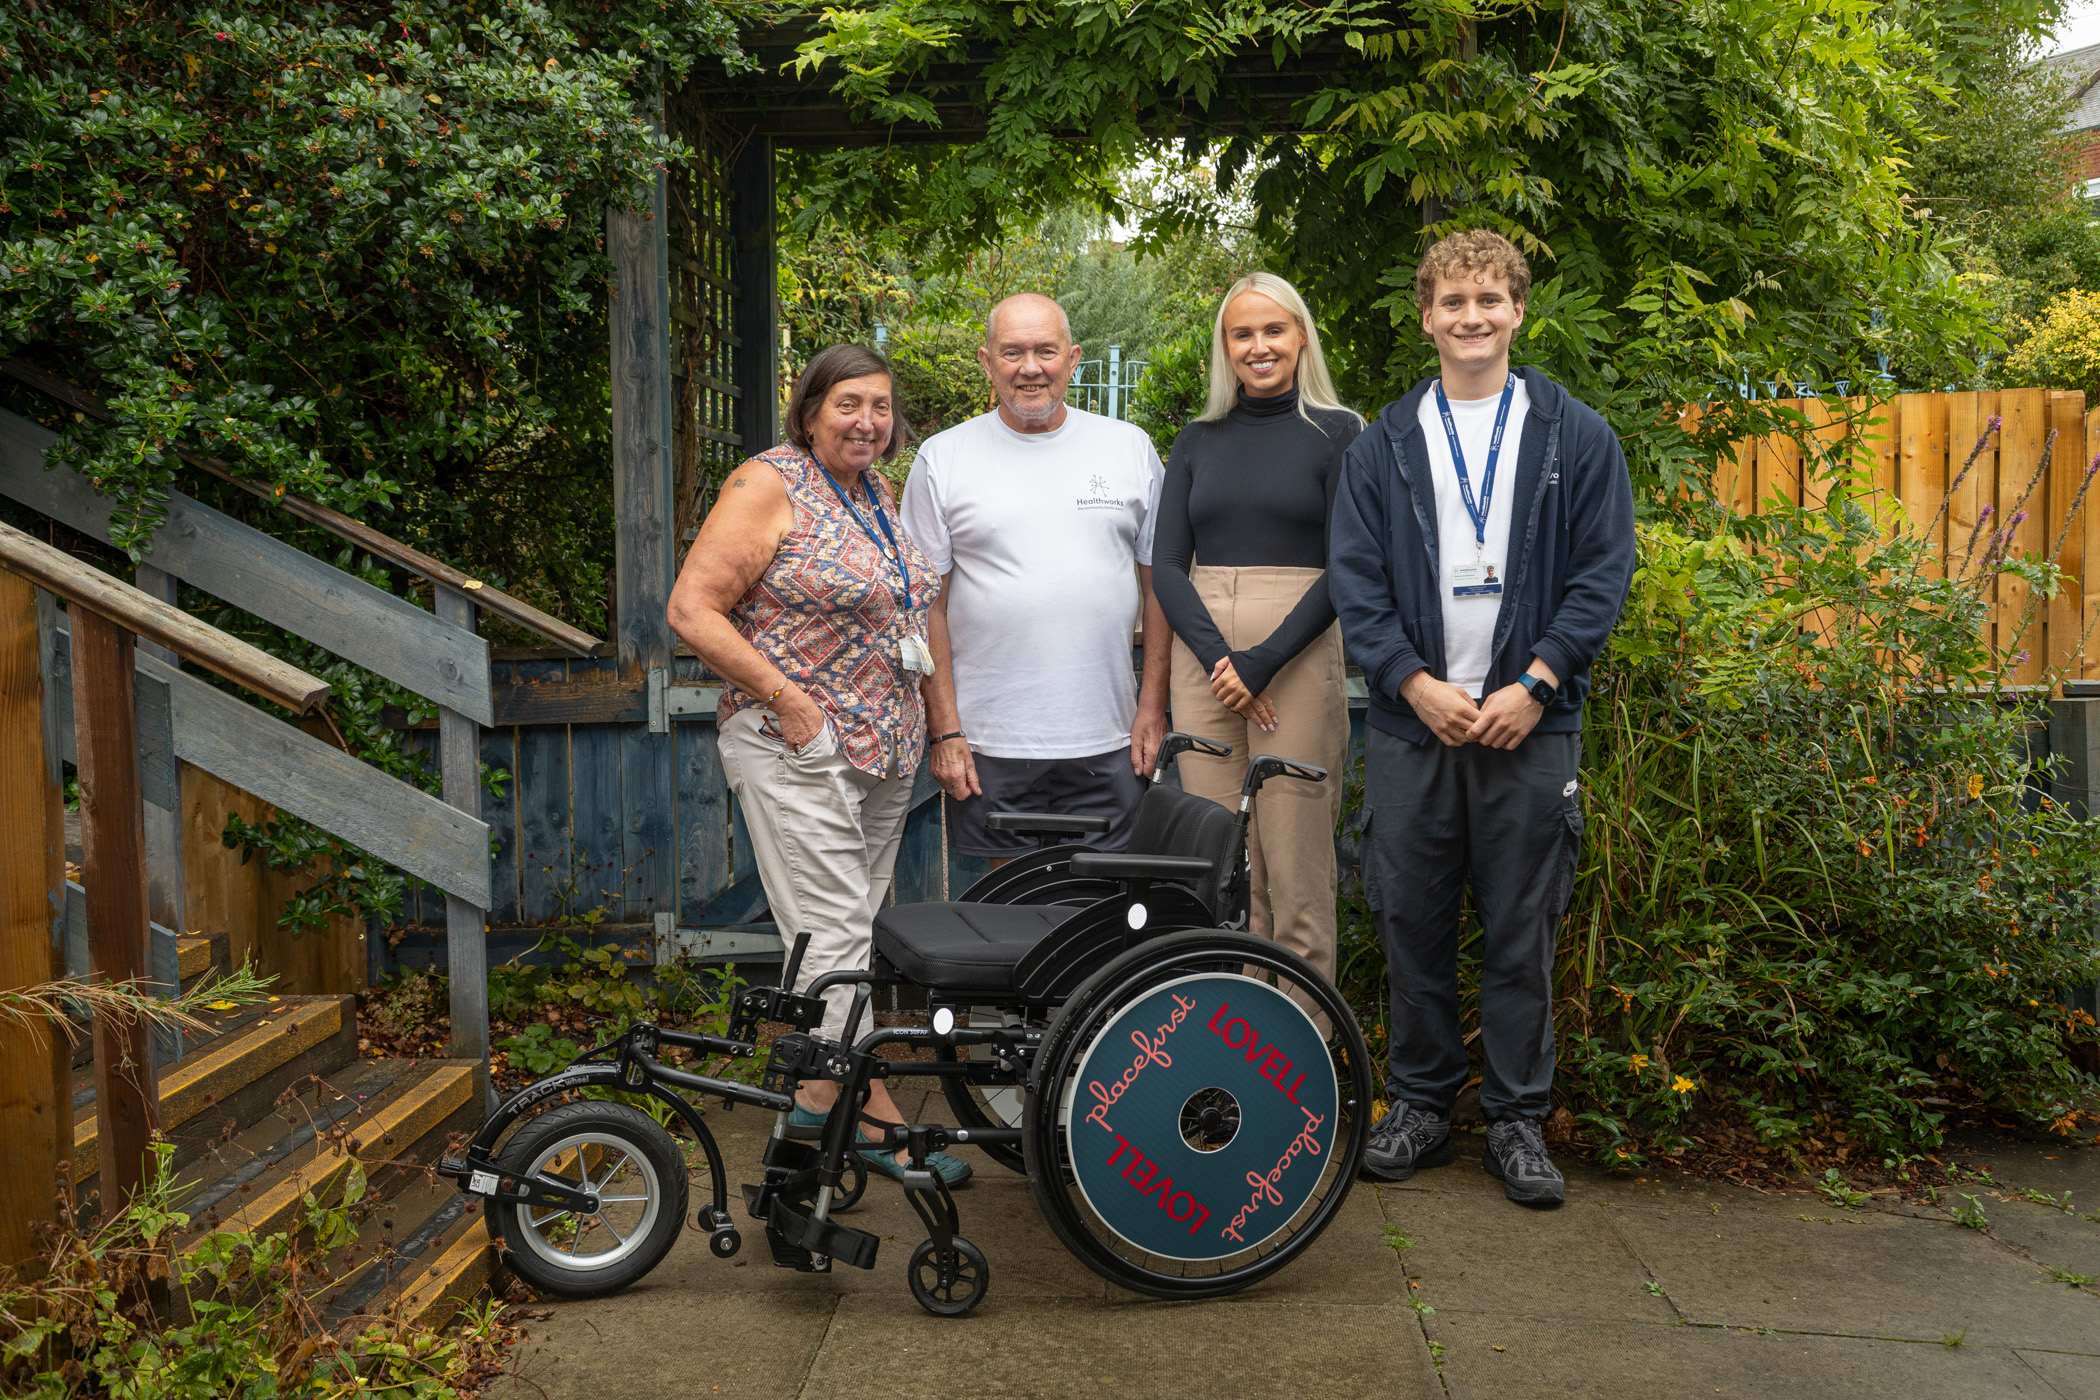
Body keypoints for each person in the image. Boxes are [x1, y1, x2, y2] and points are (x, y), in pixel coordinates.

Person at [1329, 229, 1636, 1206]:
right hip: (1414, 726)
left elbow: (1603, 570)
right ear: (1426, 317)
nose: (1472, 317)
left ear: (1518, 311)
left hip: (1528, 725)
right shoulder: (1383, 444)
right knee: (1410, 923)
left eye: (1489, 299)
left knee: (1521, 932)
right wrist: (1412, 683)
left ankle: (1516, 1120)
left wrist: (1537, 682)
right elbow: (1356, 581)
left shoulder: (1575, 435)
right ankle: (1421, 1106)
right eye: (1453, 302)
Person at [666, 344, 969, 1186]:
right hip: (796, 746)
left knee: (841, 936)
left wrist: (942, 728)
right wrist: (792, 703)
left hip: (882, 751)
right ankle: (860, 1112)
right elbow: (691, 609)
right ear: (809, 413)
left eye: (880, 407)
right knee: (835, 933)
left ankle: (819, 1099)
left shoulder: (875, 492)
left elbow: (918, 614)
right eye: (848, 404)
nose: (867, 421)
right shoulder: (768, 484)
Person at [1152, 273, 1362, 1030]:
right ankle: (1225, 1041)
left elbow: (1348, 566)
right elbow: (1167, 564)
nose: (1259, 346)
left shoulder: (1339, 432)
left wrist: (1262, 662)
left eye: (1274, 330)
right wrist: (1223, 661)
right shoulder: (1196, 440)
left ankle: (1301, 1046)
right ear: (1225, 346)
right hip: (1204, 662)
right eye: (1242, 334)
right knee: (1220, 861)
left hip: (1295, 652)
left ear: (1301, 335)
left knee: (1294, 856)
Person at [901, 293, 1170, 862]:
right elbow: (925, 607)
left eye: (1046, 351)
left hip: (1111, 734)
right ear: (986, 361)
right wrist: (945, 730)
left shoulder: (1129, 448)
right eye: (1012, 352)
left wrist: (1152, 707)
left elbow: (1160, 589)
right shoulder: (943, 458)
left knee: (1104, 900)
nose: (1030, 368)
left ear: (1073, 359)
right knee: (1010, 901)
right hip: (990, 739)